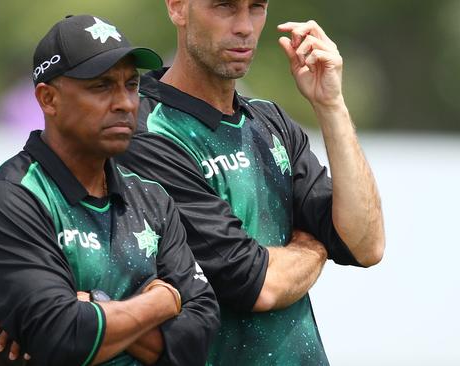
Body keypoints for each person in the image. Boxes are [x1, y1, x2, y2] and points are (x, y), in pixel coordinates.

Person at [115, 0, 386, 364]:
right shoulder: (147, 133)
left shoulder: (270, 119)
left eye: (256, 7)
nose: (244, 26)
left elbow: (366, 245)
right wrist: (315, 246)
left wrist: (331, 105)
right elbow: (256, 284)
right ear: (178, 8)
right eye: (224, 6)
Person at [0, 14, 219, 366]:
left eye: (131, 85)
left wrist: (96, 307)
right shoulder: (12, 196)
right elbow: (62, 338)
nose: (126, 103)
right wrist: (162, 302)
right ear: (48, 99)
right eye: (101, 86)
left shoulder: (153, 199)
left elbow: (200, 338)